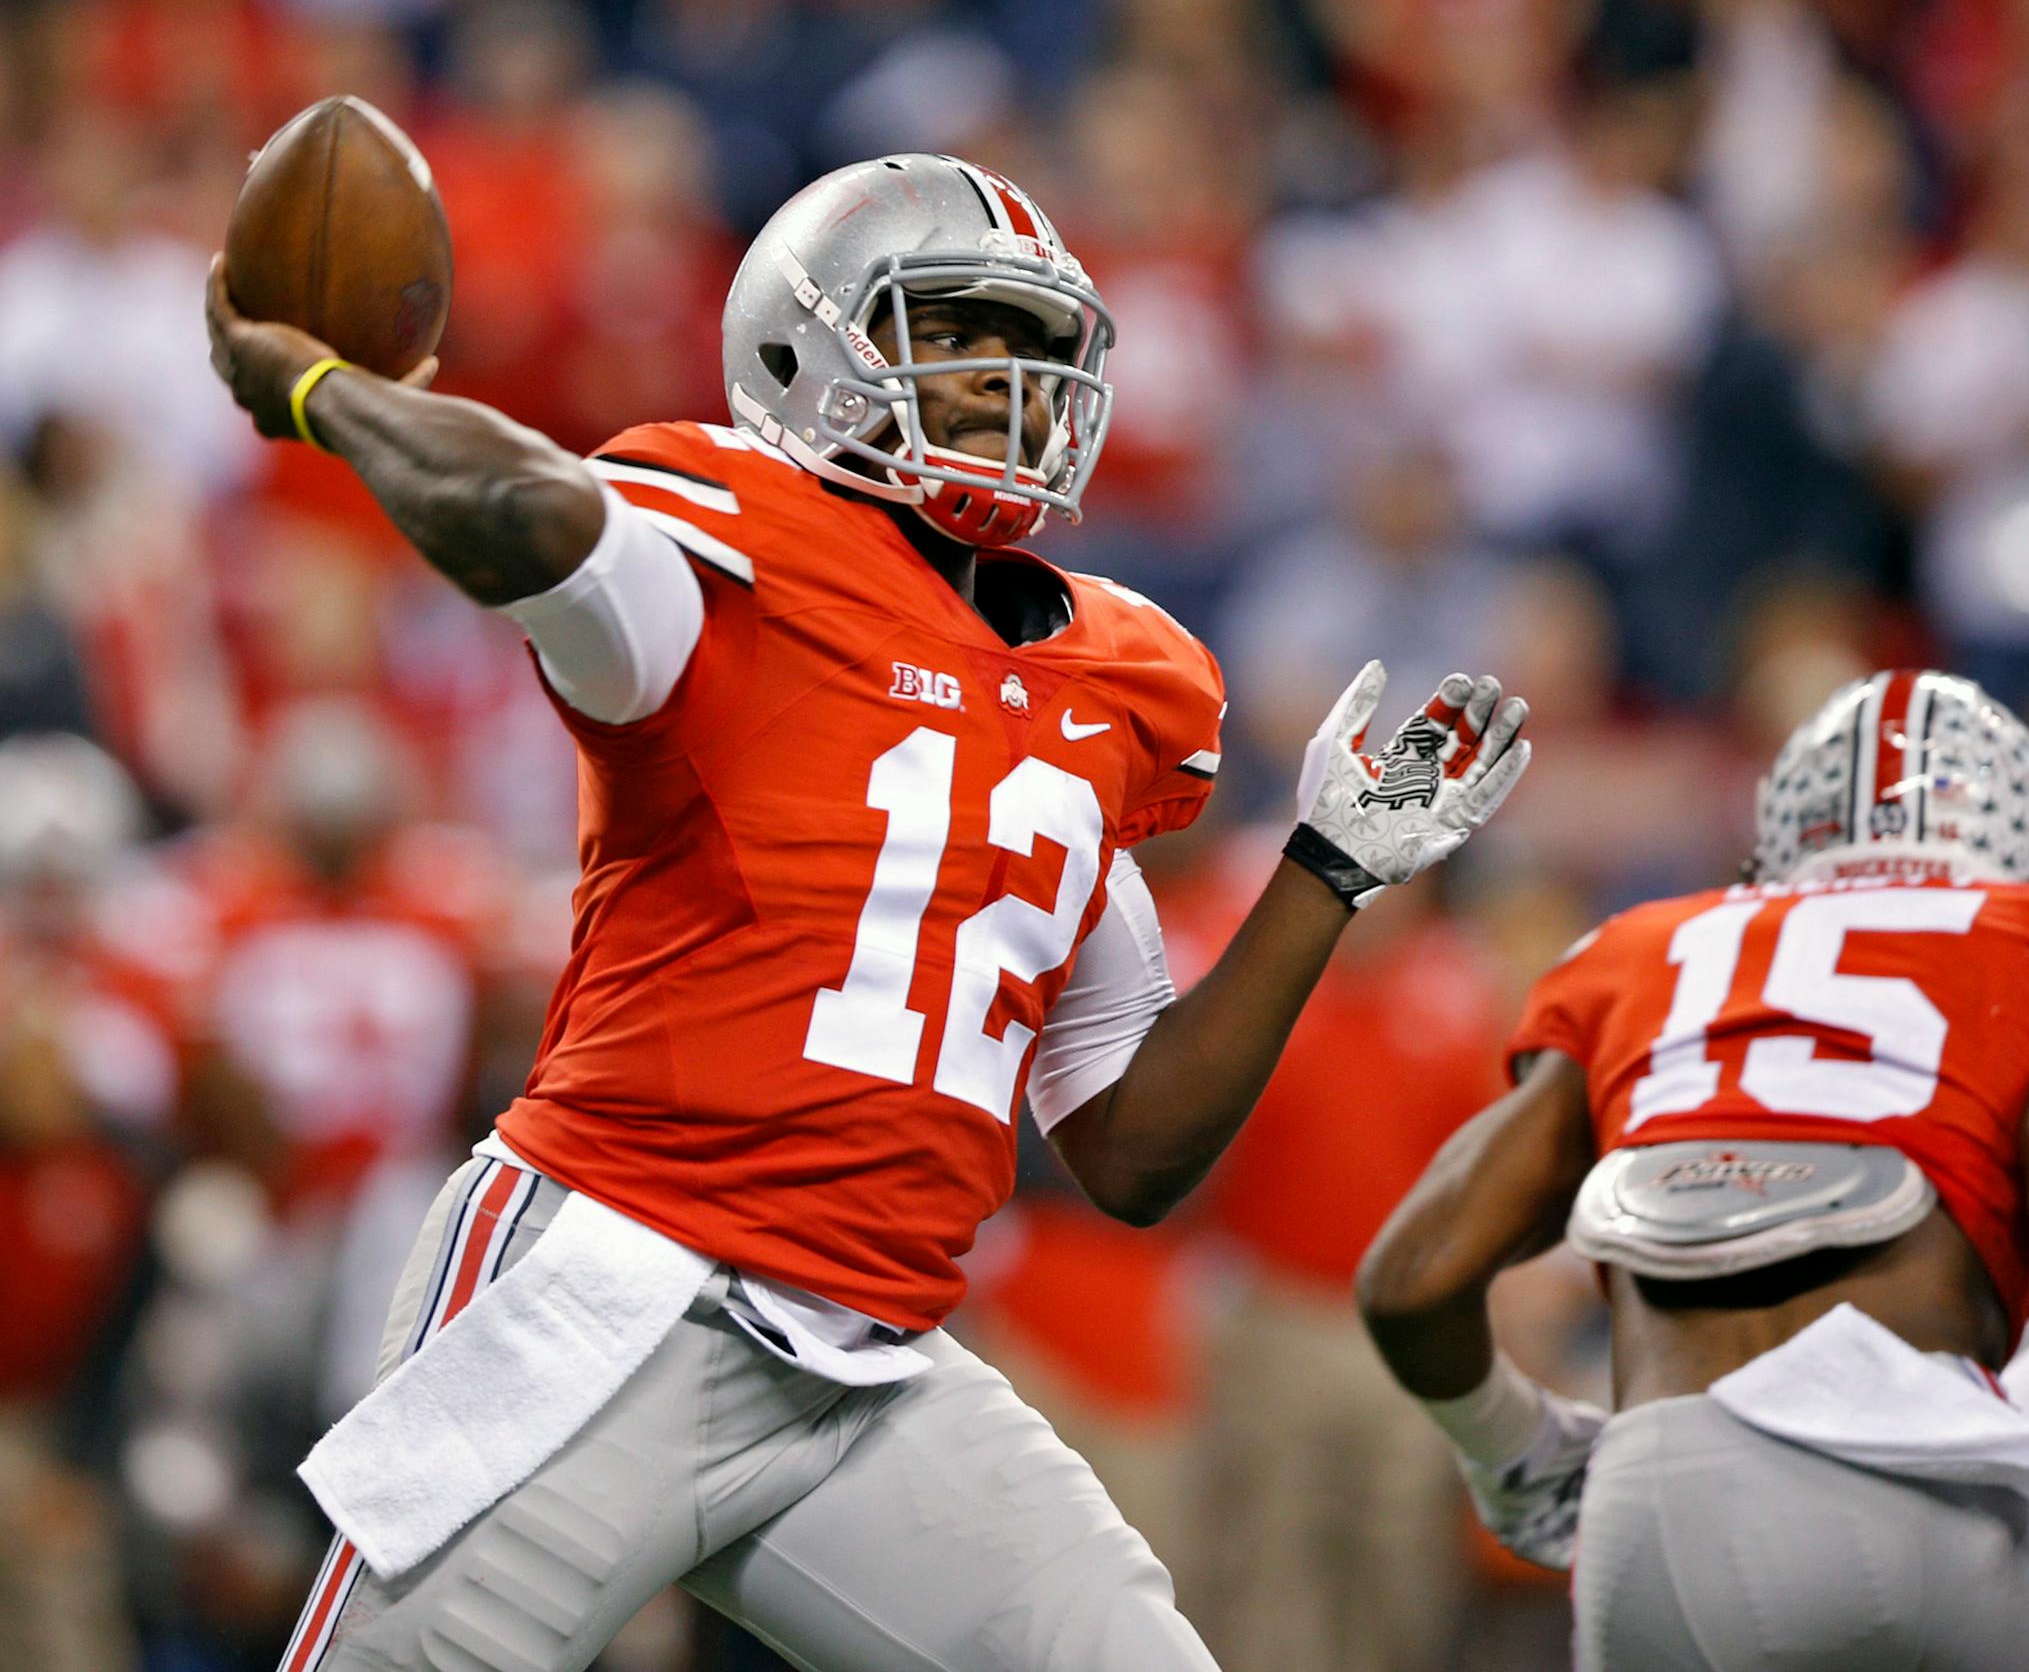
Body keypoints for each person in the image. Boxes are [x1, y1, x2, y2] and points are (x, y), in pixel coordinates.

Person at [205, 151, 1533, 1672]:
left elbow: (1133, 1147)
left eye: (1042, 348)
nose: (1015, 382)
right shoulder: (724, 559)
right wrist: (324, 392)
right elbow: (518, 508)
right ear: (803, 347)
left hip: (875, 1363)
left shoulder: (1118, 683)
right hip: (612, 1291)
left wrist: (1324, 874)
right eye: (966, 333)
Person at [1358, 667, 2029, 1669]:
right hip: (1910, 1478)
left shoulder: (1643, 953)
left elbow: (1410, 1276)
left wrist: (1517, 1453)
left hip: (1644, 1514)